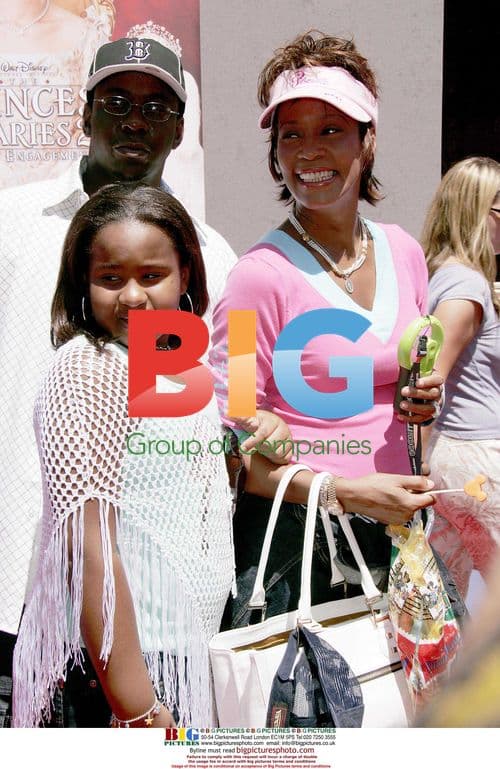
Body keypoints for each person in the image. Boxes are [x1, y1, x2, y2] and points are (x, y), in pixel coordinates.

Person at [0, 35, 237, 728]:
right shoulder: (12, 223)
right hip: (20, 572)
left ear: (180, 127)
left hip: (154, 618)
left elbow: (235, 393)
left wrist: (256, 421)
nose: (136, 119)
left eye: (157, 106)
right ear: (85, 114)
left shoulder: (211, 249)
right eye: (118, 102)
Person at [209, 31, 442, 627]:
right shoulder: (254, 279)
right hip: (301, 555)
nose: (310, 152)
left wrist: (417, 395)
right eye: (292, 134)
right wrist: (349, 491)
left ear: (368, 140)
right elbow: (234, 447)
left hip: (399, 538)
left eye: (331, 129)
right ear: (276, 153)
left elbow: (392, 383)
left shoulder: (404, 251)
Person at [421, 157, 500, 599]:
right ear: (477, 211)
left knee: (448, 597)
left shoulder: (443, 277)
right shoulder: (466, 289)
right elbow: (428, 381)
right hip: (477, 464)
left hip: (455, 465)